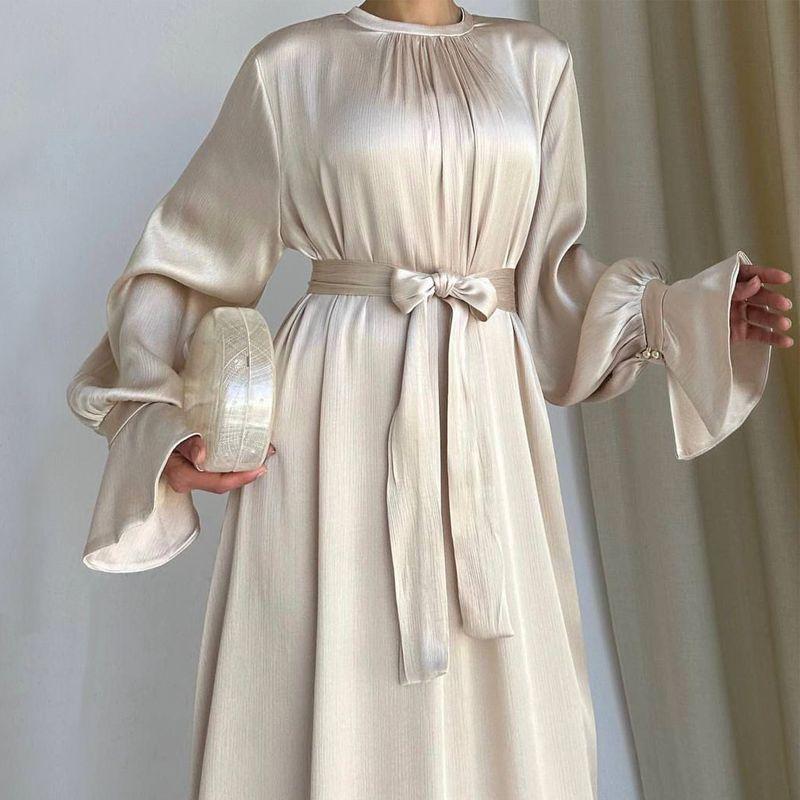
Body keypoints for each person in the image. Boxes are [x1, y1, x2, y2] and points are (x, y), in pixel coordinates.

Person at [66, 2, 793, 798]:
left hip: (487, 410)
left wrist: (675, 315)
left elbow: (549, 284)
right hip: (335, 413)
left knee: (508, 701)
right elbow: (185, 260)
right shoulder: (290, 66)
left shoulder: (536, 62)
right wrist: (161, 418)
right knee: (341, 680)